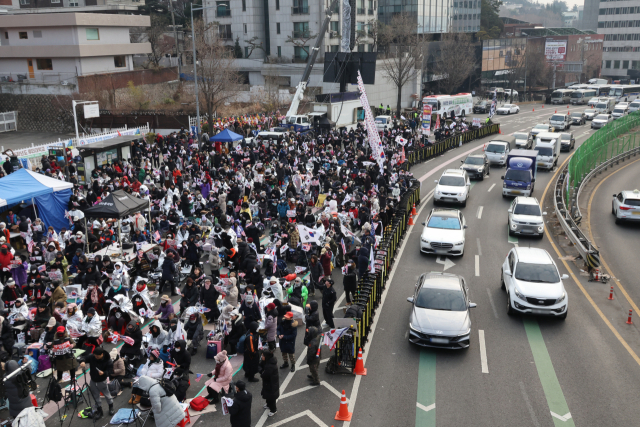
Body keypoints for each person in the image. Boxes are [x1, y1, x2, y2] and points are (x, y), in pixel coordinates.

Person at [79, 348, 115, 419]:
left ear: (102, 354)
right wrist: (82, 361)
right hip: (93, 380)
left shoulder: (108, 360)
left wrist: (104, 373)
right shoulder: (92, 357)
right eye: (95, 355)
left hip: (102, 380)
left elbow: (111, 370)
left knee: (107, 394)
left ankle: (111, 407)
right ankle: (99, 411)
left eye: (97, 356)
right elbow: (84, 358)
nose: (96, 357)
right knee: (96, 396)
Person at [260, 351, 279, 417]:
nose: (261, 357)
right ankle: (268, 404)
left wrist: (261, 372)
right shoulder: (267, 362)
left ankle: (273, 410)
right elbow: (260, 365)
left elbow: (264, 375)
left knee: (271, 397)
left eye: (262, 356)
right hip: (268, 384)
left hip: (271, 385)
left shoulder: (270, 366)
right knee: (268, 395)